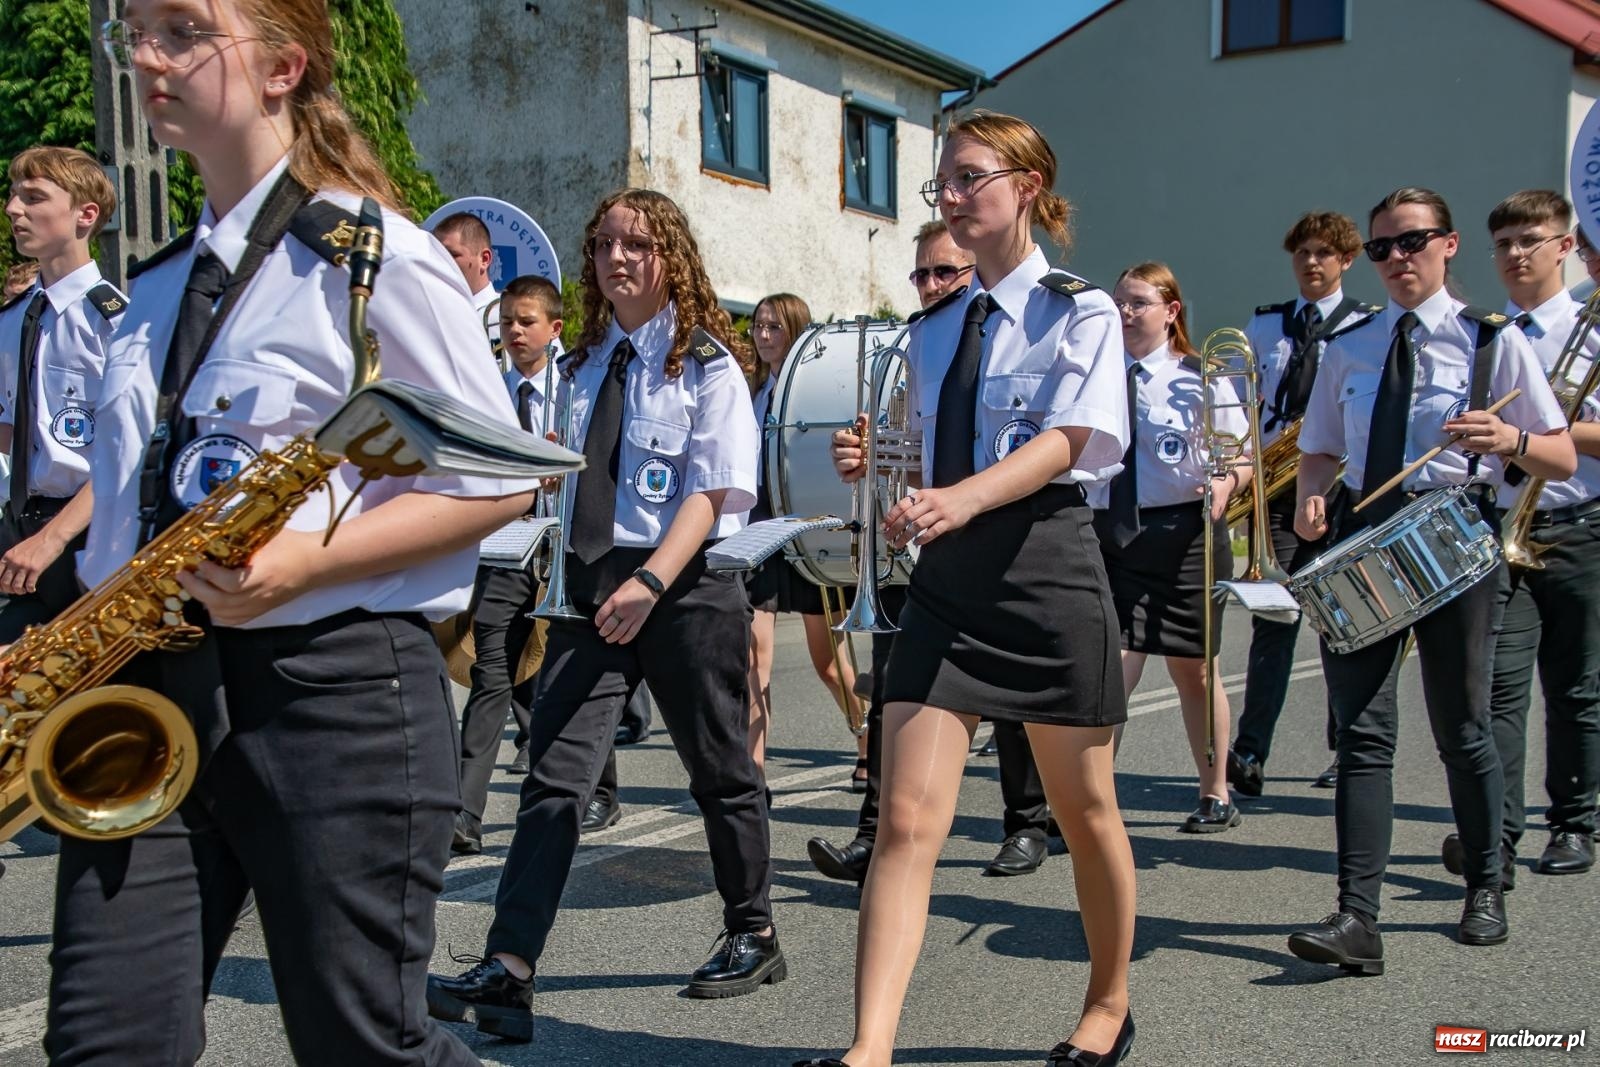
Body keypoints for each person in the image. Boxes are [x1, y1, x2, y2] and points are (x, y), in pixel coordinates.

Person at [48, 3, 547, 1063]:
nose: (145, 54)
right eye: (136, 29)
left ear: (284, 64)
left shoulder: (371, 256)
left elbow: (499, 481)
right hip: (138, 688)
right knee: (103, 1043)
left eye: (184, 29)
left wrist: (299, 564)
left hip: (332, 690)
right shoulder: (151, 289)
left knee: (362, 1043)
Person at [803, 110, 1135, 1067]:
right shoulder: (938, 326)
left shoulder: (1081, 310)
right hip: (949, 581)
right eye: (940, 183)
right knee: (906, 818)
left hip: (1044, 570)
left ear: (1025, 185)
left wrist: (957, 496)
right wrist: (883, 461)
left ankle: (1109, 1002)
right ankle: (870, 1048)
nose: (949, 196)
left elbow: (1068, 442)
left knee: (1086, 811)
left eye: (966, 178)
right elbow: (928, 453)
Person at [428, 188, 780, 1044]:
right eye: (606, 245)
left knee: (719, 768)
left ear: (673, 259)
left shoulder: (706, 365)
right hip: (593, 591)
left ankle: (753, 928)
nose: (619, 258)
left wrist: (652, 583)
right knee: (553, 777)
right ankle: (509, 970)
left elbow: (714, 491)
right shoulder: (582, 366)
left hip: (684, 588)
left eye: (639, 244)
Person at [1287, 187, 1574, 973]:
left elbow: (1562, 456)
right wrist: (1314, 492)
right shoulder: (1350, 344)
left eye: (1411, 242)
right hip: (1367, 539)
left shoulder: (1492, 341)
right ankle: (1357, 916)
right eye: (1380, 248)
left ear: (1447, 245)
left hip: (1454, 539)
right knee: (1362, 733)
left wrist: (1510, 435)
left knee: (1464, 725)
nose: (1396, 259)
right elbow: (1319, 447)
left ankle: (1486, 882)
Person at [804, 219, 1058, 883]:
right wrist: (868, 458)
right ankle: (874, 830)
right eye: (921, 273)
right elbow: (920, 457)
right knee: (897, 694)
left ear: (976, 270)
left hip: (1006, 543)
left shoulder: (1019, 333)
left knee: (1010, 697)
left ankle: (1027, 822)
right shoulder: (917, 345)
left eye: (946, 272)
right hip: (926, 553)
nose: (931, 285)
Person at [1441, 191, 1597, 883]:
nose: (1513, 254)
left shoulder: (1591, 330)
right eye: (1502, 242)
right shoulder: (1487, 332)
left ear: (1565, 246)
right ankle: (1495, 841)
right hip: (1500, 530)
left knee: (1575, 687)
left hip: (1575, 524)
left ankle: (1572, 821)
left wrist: (1536, 434)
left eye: (1529, 240)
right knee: (1494, 694)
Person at [1091, 262, 1250, 833]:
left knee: (1194, 671)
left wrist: (1225, 485)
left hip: (1185, 534)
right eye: (1119, 303)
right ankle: (1092, 803)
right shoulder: (1097, 375)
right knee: (1112, 670)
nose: (1125, 314)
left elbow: (1241, 459)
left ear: (1170, 311)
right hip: (1112, 532)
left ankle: (1215, 792)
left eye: (1138, 303)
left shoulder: (1201, 378)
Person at [1229, 212, 1380, 797]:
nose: (1312, 263)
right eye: (1303, 253)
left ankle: (1347, 745)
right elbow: (1241, 399)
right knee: (1275, 614)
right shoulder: (1267, 324)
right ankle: (1250, 750)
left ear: (1346, 260)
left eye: (1324, 253)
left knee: (1345, 619)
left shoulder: (1367, 327)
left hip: (1341, 483)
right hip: (1276, 483)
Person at [450, 273, 562, 856]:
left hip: (562, 550)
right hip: (504, 552)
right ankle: (466, 814)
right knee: (490, 671)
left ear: (553, 329)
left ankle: (598, 788)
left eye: (526, 322)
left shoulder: (575, 389)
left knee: (565, 672)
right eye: (506, 323)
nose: (514, 332)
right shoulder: (487, 390)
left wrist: (560, 470)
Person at [745, 291, 869, 786]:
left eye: (774, 327)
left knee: (830, 663)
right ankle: (751, 773)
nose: (764, 335)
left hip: (802, 526)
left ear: (794, 331)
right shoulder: (751, 390)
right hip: (759, 526)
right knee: (753, 657)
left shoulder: (809, 392)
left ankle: (868, 741)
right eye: (758, 326)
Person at [0, 147, 123, 643]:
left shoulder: (113, 320)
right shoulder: (13, 320)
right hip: (23, 529)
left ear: (84, 215)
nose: (13, 209)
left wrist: (51, 539)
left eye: (33, 198)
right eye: (13, 196)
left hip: (91, 536)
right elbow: (22, 432)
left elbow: (127, 449)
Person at [431, 210, 500, 349]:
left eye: (452, 255)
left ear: (484, 259)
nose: (440, 261)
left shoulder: (509, 314)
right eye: (436, 254)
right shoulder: (431, 313)